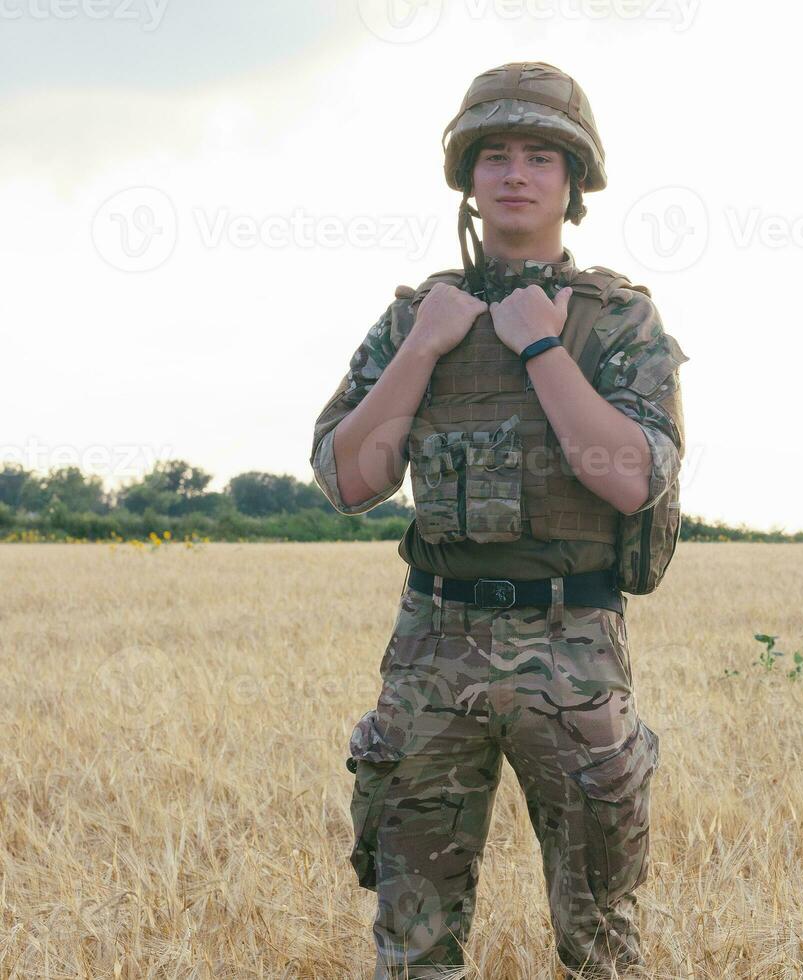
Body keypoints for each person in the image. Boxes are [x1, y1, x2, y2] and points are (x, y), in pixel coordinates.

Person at [308, 61, 688, 979]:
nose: (516, 173)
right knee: (413, 944)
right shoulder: (414, 319)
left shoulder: (617, 321)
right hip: (434, 642)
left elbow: (635, 479)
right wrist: (430, 345)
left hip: (574, 644)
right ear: (468, 179)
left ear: (573, 182)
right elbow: (349, 480)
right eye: (495, 156)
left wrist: (543, 345)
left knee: (601, 942)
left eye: (541, 156)